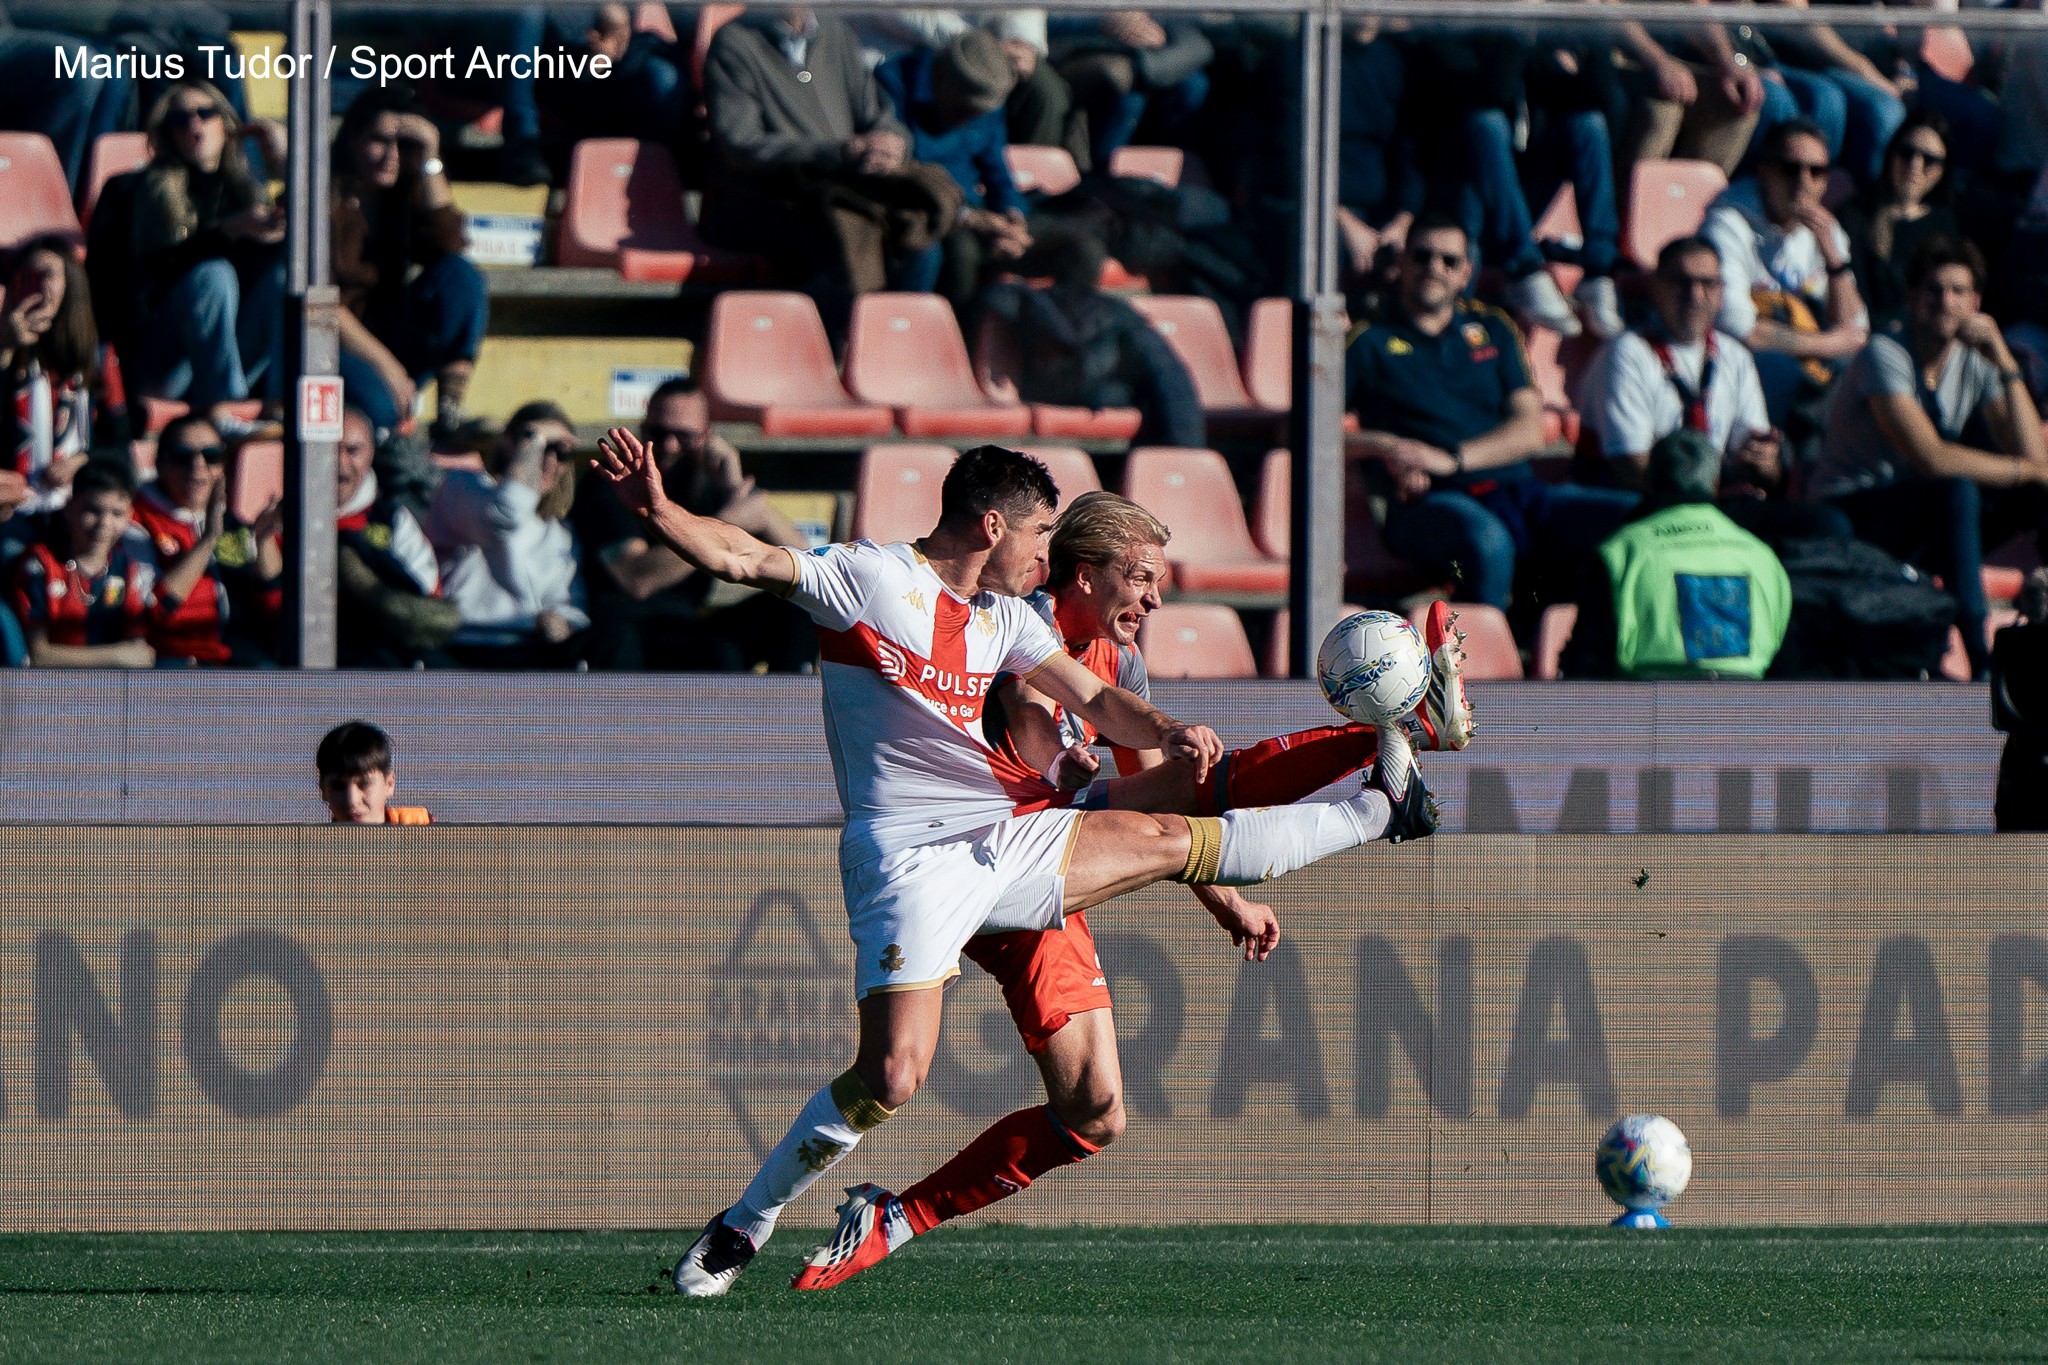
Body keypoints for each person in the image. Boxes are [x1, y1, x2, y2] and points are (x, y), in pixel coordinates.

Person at [584, 439, 1438, 1296]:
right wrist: (659, 510)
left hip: (1007, 836)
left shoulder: (1010, 620)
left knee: (1168, 844)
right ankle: (747, 1222)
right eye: (1038, 532)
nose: (1046, 552)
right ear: (992, 523)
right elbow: (744, 554)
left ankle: (1378, 804)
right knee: (891, 1075)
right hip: (910, 859)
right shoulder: (872, 580)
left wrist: (1166, 727)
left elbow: (1099, 701)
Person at [1346, 212, 1637, 615]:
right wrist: (1387, 446)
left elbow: (1529, 430)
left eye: (1448, 261)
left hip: (1516, 492)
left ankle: (1595, 662)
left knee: (1637, 515)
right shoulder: (1368, 339)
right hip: (1429, 503)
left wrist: (1450, 459)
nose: (1434, 268)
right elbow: (1302, 432)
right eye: (1422, 256)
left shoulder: (1494, 327)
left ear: (1466, 272)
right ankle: (1477, 670)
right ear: (1402, 263)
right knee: (1488, 541)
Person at [1811, 236, 2048, 681]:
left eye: (1959, 292)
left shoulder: (1975, 360)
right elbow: (1931, 458)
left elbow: (2034, 456)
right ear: (1912, 297)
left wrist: (2002, 358)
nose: (1946, 302)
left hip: (1918, 510)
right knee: (1957, 490)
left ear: (1976, 302)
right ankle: (1981, 656)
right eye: (1934, 290)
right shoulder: (1886, 354)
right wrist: (2028, 470)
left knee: (2031, 496)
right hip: (1852, 508)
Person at [697, 8, 959, 339]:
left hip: (844, 188)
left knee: (921, 244)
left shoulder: (837, 35)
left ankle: (891, 351)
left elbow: (878, 114)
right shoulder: (735, 42)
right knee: (839, 241)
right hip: (770, 196)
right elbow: (741, 144)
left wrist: (890, 142)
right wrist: (837, 151)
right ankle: (830, 354)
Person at [1578, 235, 1851, 546]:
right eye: (1682, 283)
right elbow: (1629, 468)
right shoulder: (1626, 353)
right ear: (1657, 287)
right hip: (1643, 506)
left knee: (1827, 525)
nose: (1695, 296)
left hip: (1711, 507)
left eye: (1707, 284)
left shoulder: (1733, 356)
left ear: (1721, 293)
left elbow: (1762, 472)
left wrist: (1764, 463)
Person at [573, 376, 812, 672]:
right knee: (717, 657)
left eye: (684, 436)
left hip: (687, 625)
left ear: (706, 436)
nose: (670, 446)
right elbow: (636, 580)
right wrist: (727, 522)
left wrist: (734, 486)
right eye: (659, 434)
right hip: (626, 629)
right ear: (643, 428)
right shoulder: (615, 481)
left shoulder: (706, 481)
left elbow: (807, 567)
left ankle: (796, 707)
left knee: (802, 603)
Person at [1561, 429, 1793, 680]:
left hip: (1651, 707)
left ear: (1648, 479)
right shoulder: (1762, 556)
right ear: (1715, 482)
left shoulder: (1621, 552)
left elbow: (1588, 664)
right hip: (1747, 710)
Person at [114, 79, 286, 414]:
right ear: (168, 133)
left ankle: (279, 409)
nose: (194, 125)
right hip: (163, 362)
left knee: (284, 279)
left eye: (205, 114)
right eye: (180, 119)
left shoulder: (245, 189)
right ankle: (227, 406)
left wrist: (282, 162)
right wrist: (228, 232)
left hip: (223, 357)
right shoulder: (147, 187)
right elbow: (144, 278)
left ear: (225, 124)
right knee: (213, 275)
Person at [331, 93, 488, 444]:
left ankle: (449, 410)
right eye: (378, 141)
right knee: (384, 410)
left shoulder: (403, 196)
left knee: (461, 275)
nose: (391, 155)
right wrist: (389, 367)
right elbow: (321, 303)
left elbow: (450, 244)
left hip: (392, 333)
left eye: (403, 144)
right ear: (353, 139)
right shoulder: (324, 196)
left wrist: (431, 156)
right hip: (335, 342)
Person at [1699, 119, 1869, 427]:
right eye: (1791, 169)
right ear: (1764, 171)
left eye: (1816, 172)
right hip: (1740, 357)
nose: (1803, 182)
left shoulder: (1826, 231)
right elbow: (1739, 329)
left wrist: (1835, 262)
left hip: (1805, 349)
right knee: (1787, 373)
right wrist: (1830, 344)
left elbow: (1855, 327)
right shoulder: (1727, 224)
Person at [876, 30, 1032, 315]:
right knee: (960, 252)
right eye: (964, 109)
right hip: (915, 204)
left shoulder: (989, 94)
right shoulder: (893, 82)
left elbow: (997, 169)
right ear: (942, 82)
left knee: (1078, 247)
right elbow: (902, 174)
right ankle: (942, 342)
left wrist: (1013, 217)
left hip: (972, 206)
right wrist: (967, 218)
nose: (970, 119)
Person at [423, 401, 589, 668]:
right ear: (506, 444)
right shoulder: (462, 488)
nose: (547, 461)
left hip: (529, 648)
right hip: (462, 645)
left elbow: (570, 602)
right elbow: (506, 512)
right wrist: (535, 439)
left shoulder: (559, 532)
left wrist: (562, 620)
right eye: (538, 447)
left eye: (560, 452)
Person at [130, 413, 284, 666]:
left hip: (239, 657)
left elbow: (274, 609)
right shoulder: (136, 522)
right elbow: (153, 611)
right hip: (173, 659)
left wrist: (264, 540)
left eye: (211, 456)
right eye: (182, 457)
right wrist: (208, 540)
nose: (197, 466)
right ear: (160, 463)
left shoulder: (236, 524)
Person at [6, 459, 156, 668]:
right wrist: (116, 656)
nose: (104, 524)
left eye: (117, 513)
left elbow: (139, 651)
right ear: (69, 508)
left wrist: (129, 655)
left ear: (129, 515)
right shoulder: (40, 564)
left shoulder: (126, 568)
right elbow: (37, 655)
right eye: (93, 511)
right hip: (47, 690)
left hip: (110, 690)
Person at [334, 405, 453, 667]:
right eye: (327, 450)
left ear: (371, 453)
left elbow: (426, 606)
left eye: (352, 450)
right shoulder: (283, 520)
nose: (340, 464)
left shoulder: (393, 519)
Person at [0, 235, 95, 525]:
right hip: (13, 507)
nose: (38, 285)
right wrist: (5, 348)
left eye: (47, 275)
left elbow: (117, 439)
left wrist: (78, 462)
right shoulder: (5, 345)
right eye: (28, 276)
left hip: (69, 507)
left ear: (69, 284)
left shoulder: (91, 356)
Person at [1835, 112, 1959, 331]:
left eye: (1929, 160)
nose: (1915, 164)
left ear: (1941, 171)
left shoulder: (1945, 228)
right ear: (1892, 154)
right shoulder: (1855, 212)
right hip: (1854, 329)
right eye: (1907, 153)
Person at [316, 720, 431, 824]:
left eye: (365, 784)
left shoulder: (423, 831)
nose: (352, 800)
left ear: (389, 784)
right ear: (323, 790)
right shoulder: (310, 844)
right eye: (338, 786)